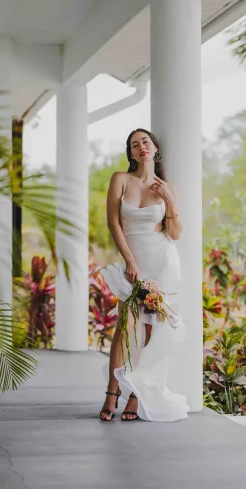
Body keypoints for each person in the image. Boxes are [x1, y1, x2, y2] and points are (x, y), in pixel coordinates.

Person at [98, 128, 190, 422]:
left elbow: (175, 234)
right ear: (131, 153)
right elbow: (113, 223)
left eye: (145, 142)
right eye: (134, 144)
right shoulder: (120, 180)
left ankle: (137, 395)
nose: (141, 147)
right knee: (125, 325)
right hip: (133, 261)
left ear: (155, 148)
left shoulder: (166, 185)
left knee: (151, 330)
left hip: (162, 262)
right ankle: (112, 391)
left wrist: (170, 201)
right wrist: (128, 260)